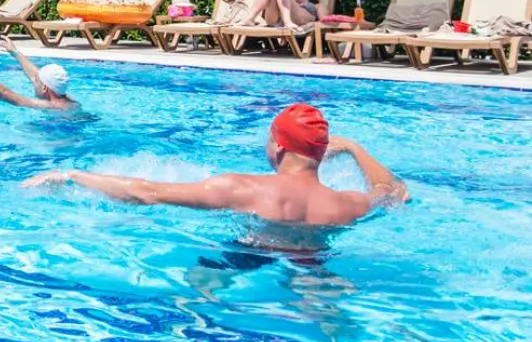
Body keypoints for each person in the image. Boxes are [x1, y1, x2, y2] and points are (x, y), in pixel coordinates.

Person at [24, 103, 409, 228]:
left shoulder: (240, 188)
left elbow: (146, 193)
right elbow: (392, 191)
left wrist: (72, 175)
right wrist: (355, 148)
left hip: (246, 258)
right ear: (321, 153)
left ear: (278, 145)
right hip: (316, 265)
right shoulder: (347, 204)